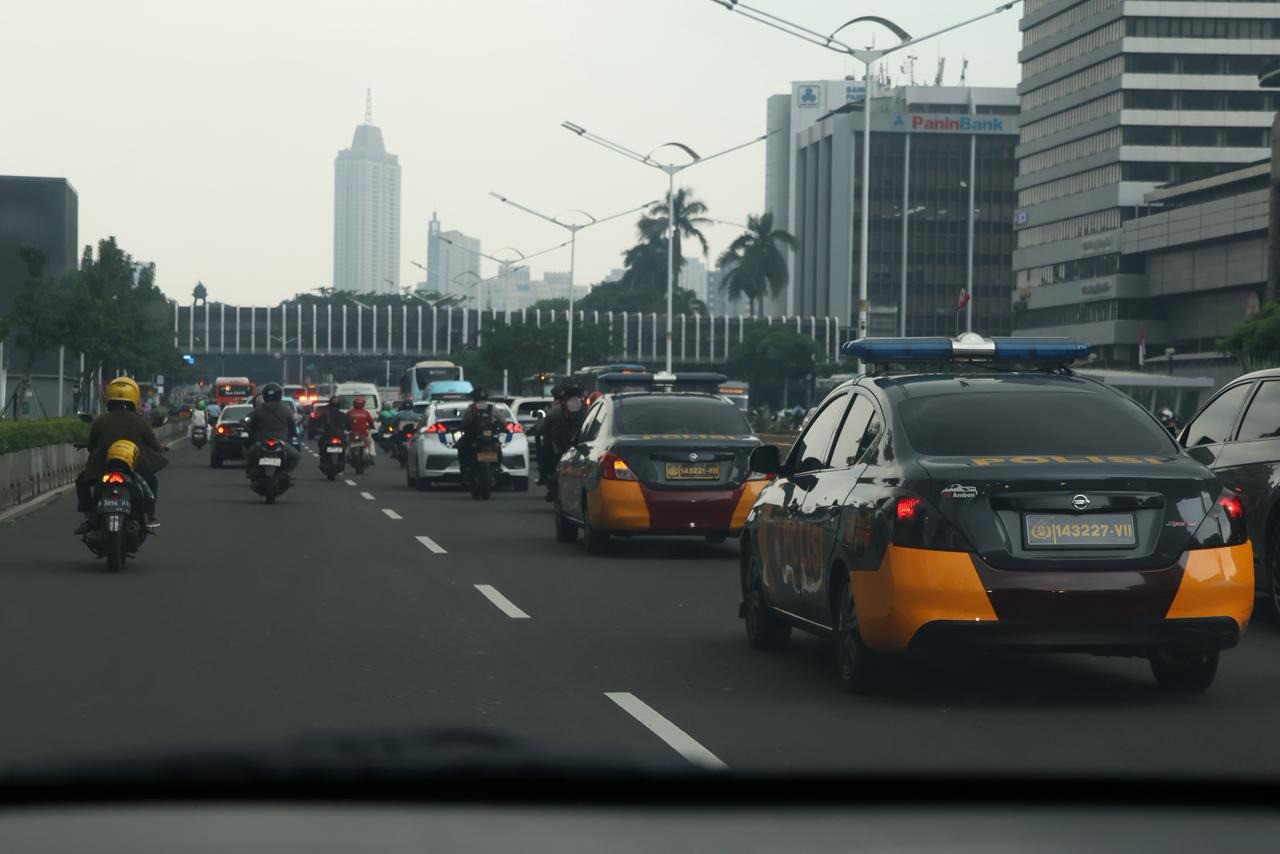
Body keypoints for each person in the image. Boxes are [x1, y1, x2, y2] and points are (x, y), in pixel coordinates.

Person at [74, 376, 168, 533]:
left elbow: (91, 445)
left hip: (103, 467)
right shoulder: (141, 422)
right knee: (152, 482)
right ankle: (148, 516)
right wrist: (160, 449)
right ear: (134, 399)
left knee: (81, 481)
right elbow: (154, 444)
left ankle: (89, 516)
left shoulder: (100, 421)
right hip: (136, 468)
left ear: (109, 399)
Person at [540, 382, 586, 502]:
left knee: (546, 455)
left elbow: (542, 427)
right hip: (571, 447)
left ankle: (548, 480)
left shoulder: (557, 410)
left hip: (576, 447)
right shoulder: (586, 409)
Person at [244, 383, 301, 474]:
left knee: (249, 455)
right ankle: (286, 473)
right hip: (281, 442)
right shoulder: (286, 411)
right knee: (296, 456)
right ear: (279, 396)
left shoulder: (257, 412)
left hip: (262, 442)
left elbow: (252, 429)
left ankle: (254, 471)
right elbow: (293, 430)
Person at [457, 387, 508, 481]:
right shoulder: (492, 408)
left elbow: (464, 423)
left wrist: (461, 428)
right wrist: (504, 429)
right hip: (490, 439)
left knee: (461, 448)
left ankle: (464, 471)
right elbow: (503, 422)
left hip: (474, 439)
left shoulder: (471, 408)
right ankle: (498, 467)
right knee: (498, 449)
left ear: (474, 397)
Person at [346, 396, 378, 461]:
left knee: (347, 444)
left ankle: (346, 456)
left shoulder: (350, 412)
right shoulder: (365, 412)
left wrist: (347, 428)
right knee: (371, 442)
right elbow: (371, 421)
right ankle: (372, 454)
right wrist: (372, 426)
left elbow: (346, 421)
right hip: (363, 433)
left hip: (353, 433)